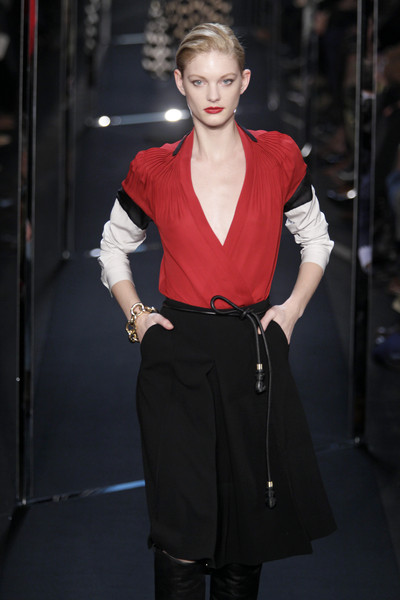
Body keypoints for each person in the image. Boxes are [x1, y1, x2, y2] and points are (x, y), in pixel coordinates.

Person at [99, 22, 336, 600]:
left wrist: (292, 310)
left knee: (245, 538)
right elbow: (112, 247)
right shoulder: (155, 168)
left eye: (225, 81)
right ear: (180, 82)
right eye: (200, 81)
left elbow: (317, 238)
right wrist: (138, 317)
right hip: (176, 355)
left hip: (253, 358)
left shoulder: (277, 157)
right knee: (180, 534)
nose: (213, 94)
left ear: (244, 82)